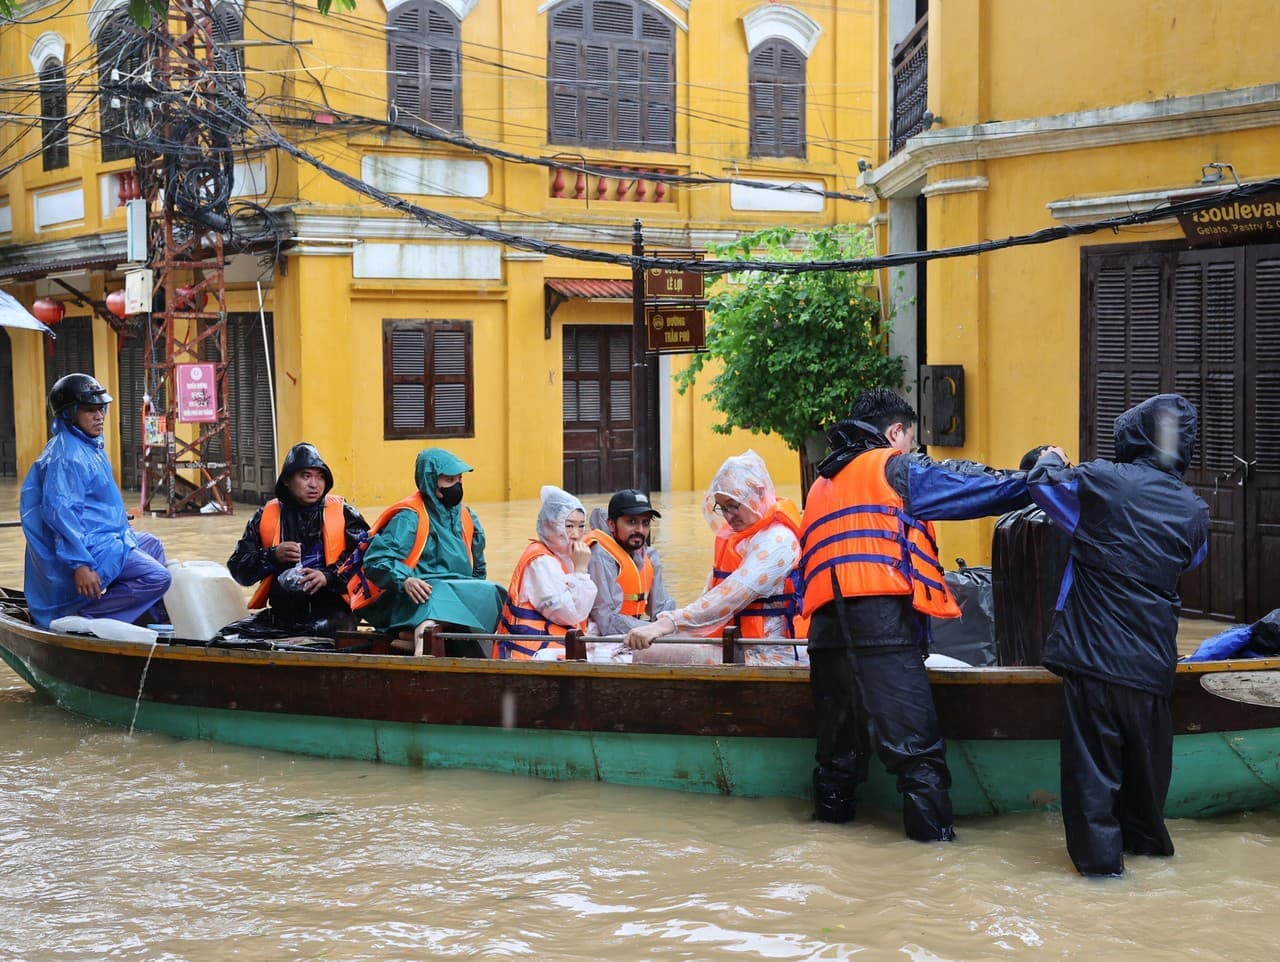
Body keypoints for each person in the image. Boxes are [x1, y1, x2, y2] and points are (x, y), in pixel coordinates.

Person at [800, 387, 1032, 841]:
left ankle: (829, 843)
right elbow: (969, 486)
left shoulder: (821, 485)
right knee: (919, 759)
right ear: (895, 432)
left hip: (826, 635)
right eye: (912, 441)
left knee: (836, 761)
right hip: (881, 630)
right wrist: (1034, 480)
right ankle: (934, 864)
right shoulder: (892, 465)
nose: (915, 451)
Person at [1028, 394, 1208, 877]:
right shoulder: (1194, 510)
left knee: (1093, 782)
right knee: (1145, 786)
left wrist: (1051, 454)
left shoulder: (1103, 481)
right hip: (1151, 669)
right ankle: (1151, 870)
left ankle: (1102, 883)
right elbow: (1191, 559)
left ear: (1132, 437)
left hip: (1094, 662)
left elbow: (1042, 486)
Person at [624, 450, 806, 666]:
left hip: (771, 653)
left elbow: (729, 596)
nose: (728, 516)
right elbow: (709, 596)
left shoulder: (778, 540)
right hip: (735, 642)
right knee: (647, 645)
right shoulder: (739, 539)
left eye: (734, 505)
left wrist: (667, 622)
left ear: (758, 492)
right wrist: (668, 626)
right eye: (723, 508)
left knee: (649, 653)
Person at [20, 373, 171, 628]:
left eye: (101, 408)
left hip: (105, 536)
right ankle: (84, 619)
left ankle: (149, 618)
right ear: (69, 414)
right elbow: (61, 514)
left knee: (152, 544)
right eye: (89, 410)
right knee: (158, 577)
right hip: (88, 546)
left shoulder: (89, 445)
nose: (99, 416)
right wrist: (80, 564)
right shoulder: (68, 456)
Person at [357, 449, 502, 657]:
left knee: (493, 592)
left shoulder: (466, 516)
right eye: (449, 480)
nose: (457, 486)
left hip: (456, 591)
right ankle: (421, 652)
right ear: (431, 481)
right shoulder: (409, 517)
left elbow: (479, 568)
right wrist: (405, 580)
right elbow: (375, 560)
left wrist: (474, 594)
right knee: (435, 595)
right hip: (416, 593)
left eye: (459, 479)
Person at [226, 442, 368, 638]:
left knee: (316, 631)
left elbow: (367, 555)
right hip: (282, 614)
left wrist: (328, 576)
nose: (314, 484)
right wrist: (272, 555)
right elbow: (239, 570)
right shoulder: (266, 515)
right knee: (229, 635)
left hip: (335, 612)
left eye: (320, 477)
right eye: (306, 476)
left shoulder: (344, 512)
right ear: (286, 480)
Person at [495, 485, 597, 660]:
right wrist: (581, 572)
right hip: (531, 654)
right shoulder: (539, 561)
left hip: (558, 645)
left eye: (581, 527)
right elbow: (568, 615)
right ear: (551, 525)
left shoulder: (566, 557)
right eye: (569, 526)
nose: (575, 534)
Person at [584, 489, 675, 636]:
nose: (640, 530)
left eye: (645, 523)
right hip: (603, 639)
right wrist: (654, 629)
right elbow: (606, 621)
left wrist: (670, 624)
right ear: (612, 525)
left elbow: (662, 607)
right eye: (631, 522)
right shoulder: (599, 555)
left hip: (638, 632)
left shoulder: (649, 555)